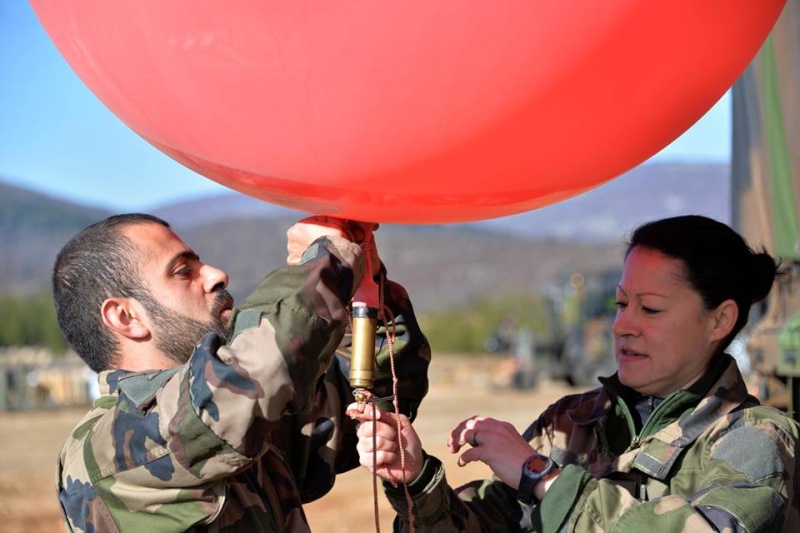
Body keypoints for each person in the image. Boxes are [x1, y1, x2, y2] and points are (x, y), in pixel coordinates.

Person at [352, 215, 800, 532]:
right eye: (622, 304)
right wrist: (416, 479)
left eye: (652, 309)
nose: (623, 324)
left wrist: (540, 476)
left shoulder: (756, 438)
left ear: (719, 321)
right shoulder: (570, 422)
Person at [53, 213, 430, 532]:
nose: (218, 275)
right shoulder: (114, 443)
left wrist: (367, 296)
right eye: (184, 271)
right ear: (126, 317)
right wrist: (328, 260)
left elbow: (380, 391)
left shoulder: (240, 419)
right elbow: (254, 372)